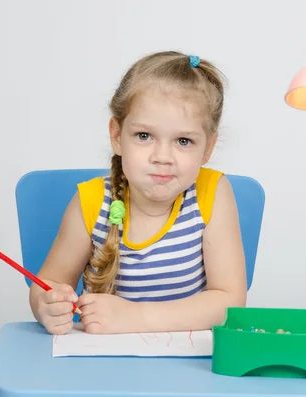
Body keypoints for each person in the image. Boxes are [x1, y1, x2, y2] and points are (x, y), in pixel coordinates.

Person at [29, 51, 247, 335]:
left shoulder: (212, 192)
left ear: (207, 148)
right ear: (117, 135)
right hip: (104, 364)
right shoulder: (91, 202)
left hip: (189, 370)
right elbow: (47, 284)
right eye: (144, 136)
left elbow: (229, 303)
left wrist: (136, 317)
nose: (162, 156)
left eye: (183, 140)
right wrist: (47, 305)